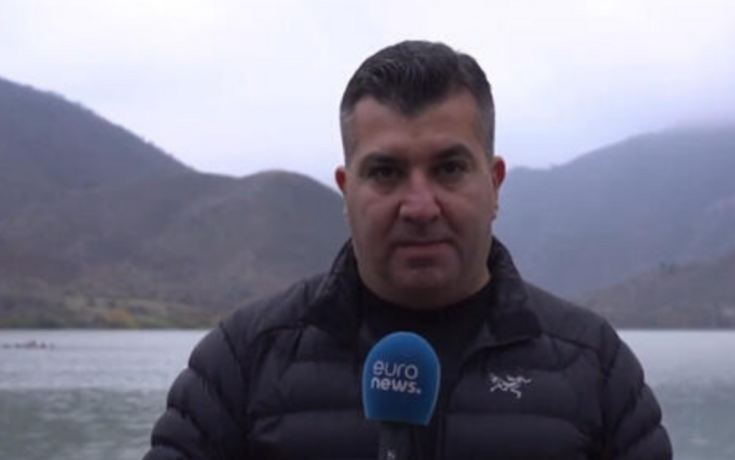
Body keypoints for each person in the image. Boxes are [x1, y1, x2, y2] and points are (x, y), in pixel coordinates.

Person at [144, 40, 671, 460]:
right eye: (386, 172)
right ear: (346, 191)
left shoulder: (594, 366)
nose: (420, 206)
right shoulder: (243, 359)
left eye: (449, 168)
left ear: (494, 184)